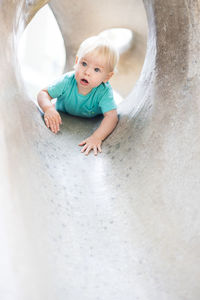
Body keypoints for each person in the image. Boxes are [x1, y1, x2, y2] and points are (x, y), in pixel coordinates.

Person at [37, 35, 119, 156]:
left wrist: (97, 137)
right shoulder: (67, 81)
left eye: (96, 70)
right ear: (76, 62)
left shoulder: (104, 91)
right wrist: (48, 108)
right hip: (63, 113)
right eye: (84, 63)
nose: (87, 72)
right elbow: (43, 93)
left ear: (107, 77)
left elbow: (112, 117)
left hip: (90, 121)